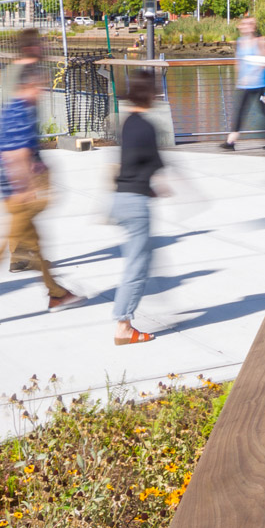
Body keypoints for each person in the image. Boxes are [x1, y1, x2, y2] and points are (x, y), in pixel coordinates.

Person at [0, 64, 82, 313]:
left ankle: (56, 294)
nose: (41, 91)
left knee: (35, 246)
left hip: (14, 193)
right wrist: (24, 188)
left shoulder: (13, 110)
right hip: (17, 195)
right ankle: (56, 293)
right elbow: (15, 154)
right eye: (38, 86)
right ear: (26, 86)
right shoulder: (21, 113)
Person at [111, 71, 164, 345]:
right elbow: (156, 163)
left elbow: (130, 161)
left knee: (137, 260)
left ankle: (124, 321)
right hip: (135, 203)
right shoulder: (147, 126)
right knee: (136, 267)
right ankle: (123, 326)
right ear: (149, 94)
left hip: (120, 198)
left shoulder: (128, 122)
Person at [221, 15, 265, 150]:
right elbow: (238, 61)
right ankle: (230, 141)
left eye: (250, 23)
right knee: (239, 111)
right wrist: (238, 78)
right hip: (244, 84)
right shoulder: (239, 42)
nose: (247, 26)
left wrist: (251, 76)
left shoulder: (259, 41)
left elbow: (263, 62)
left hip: (259, 83)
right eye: (245, 24)